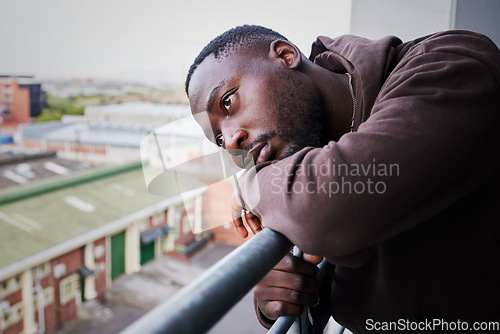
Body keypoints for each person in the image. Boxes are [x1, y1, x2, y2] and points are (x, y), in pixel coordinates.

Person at [185, 25, 500, 333]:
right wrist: (280, 296)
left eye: (228, 101)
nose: (231, 141)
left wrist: (246, 186)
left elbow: (323, 210)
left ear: (285, 55)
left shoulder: (453, 64)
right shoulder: (309, 156)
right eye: (218, 140)